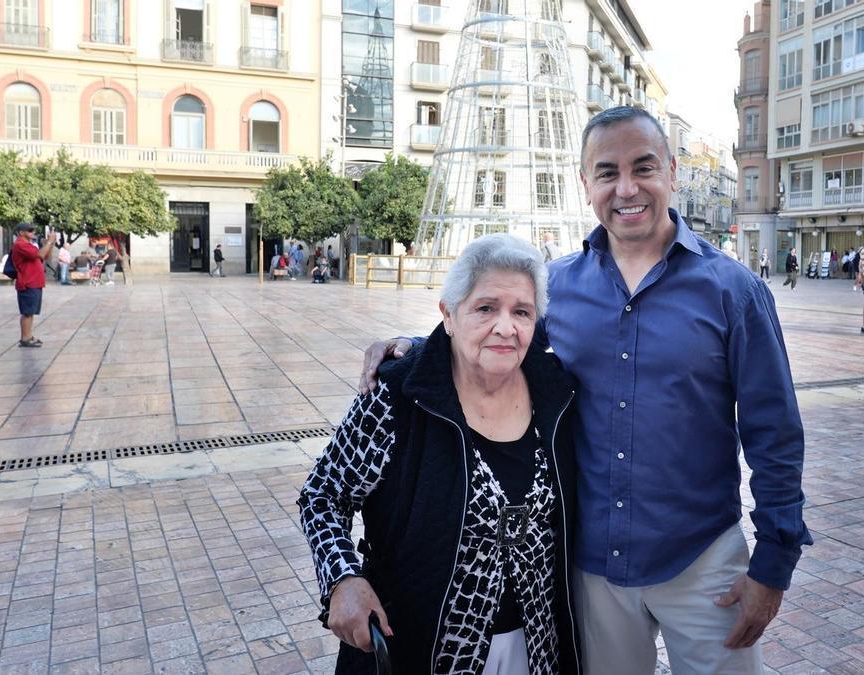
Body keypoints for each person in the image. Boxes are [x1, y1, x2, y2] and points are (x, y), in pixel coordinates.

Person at [359, 106, 811, 675]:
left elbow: (774, 433)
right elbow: (501, 344)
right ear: (585, 184)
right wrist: (415, 346)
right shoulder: (561, 287)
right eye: (607, 172)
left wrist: (773, 564)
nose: (627, 188)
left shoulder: (733, 290)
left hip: (701, 560)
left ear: (672, 171)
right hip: (592, 567)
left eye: (643, 167)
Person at [299, 235, 580, 674]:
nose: (505, 327)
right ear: (448, 315)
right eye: (485, 308)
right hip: (421, 649)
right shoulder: (399, 394)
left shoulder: (556, 394)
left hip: (535, 648)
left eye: (521, 312)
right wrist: (342, 578)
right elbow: (323, 494)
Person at [10, 223, 56, 347]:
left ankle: (28, 336)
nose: (32, 232)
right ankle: (25, 338)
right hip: (27, 282)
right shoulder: (20, 245)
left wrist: (49, 244)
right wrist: (49, 242)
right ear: (21, 232)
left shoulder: (29, 245)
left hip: (35, 282)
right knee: (27, 312)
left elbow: (46, 256)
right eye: (29, 230)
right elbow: (40, 255)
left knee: (31, 311)